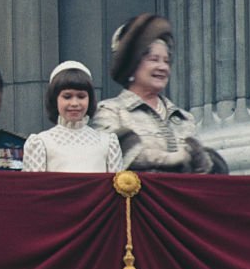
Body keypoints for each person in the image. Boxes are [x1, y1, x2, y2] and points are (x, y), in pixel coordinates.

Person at [92, 15, 228, 173]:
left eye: (166, 61)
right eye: (154, 59)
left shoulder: (184, 118)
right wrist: (171, 159)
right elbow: (112, 157)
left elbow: (203, 171)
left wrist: (204, 161)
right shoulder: (110, 111)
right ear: (132, 65)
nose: (163, 67)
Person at [23, 62, 122, 172]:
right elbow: (34, 186)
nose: (74, 103)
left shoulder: (107, 143)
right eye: (67, 97)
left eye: (81, 96)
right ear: (55, 99)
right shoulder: (41, 143)